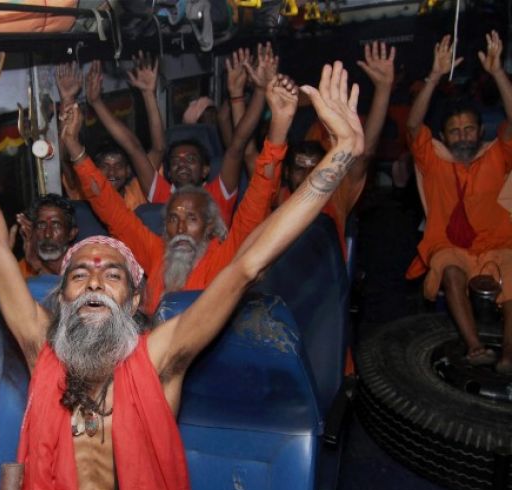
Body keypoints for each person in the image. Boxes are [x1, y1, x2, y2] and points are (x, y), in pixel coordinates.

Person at [0, 50, 363, 490]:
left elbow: (247, 266)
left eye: (112, 275)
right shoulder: (41, 349)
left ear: (136, 300)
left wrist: (343, 154)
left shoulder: (159, 360)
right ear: (61, 298)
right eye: (79, 274)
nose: (95, 280)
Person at [71, 72, 299, 314]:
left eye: (191, 219)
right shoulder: (156, 253)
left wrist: (279, 126)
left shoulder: (228, 257)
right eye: (173, 219)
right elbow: (111, 209)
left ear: (210, 225)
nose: (180, 230)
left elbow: (260, 194)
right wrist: (74, 146)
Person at [405, 31, 512, 373]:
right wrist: (434, 76)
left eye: (469, 129)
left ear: (481, 132)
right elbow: (411, 126)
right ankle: (475, 347)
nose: (463, 135)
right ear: (444, 137)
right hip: (450, 245)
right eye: (455, 130)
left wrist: (497, 73)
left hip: (500, 246)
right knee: (450, 270)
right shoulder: (433, 159)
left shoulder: (496, 155)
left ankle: (509, 355)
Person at [79, 46, 276, 226]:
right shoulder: (162, 195)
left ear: (205, 170)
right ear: (169, 173)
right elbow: (133, 148)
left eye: (191, 159)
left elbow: (238, 144)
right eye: (175, 161)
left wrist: (257, 91)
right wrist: (145, 94)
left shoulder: (219, 194)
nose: (182, 164)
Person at [277, 40, 396, 257]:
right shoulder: (279, 196)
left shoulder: (334, 194)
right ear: (287, 173)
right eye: (299, 169)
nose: (306, 176)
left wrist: (383, 88)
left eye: (314, 169)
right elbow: (247, 154)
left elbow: (365, 152)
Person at [57, 60, 148, 210]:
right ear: (95, 171)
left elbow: (136, 148)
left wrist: (96, 101)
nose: (112, 172)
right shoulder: (85, 194)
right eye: (104, 166)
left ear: (128, 171)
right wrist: (67, 99)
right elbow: (66, 159)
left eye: (118, 166)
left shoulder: (139, 191)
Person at [11, 193, 79, 277]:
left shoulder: (84, 264)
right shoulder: (24, 267)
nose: (47, 234)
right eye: (41, 225)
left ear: (71, 233)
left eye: (56, 225)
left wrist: (40, 268)